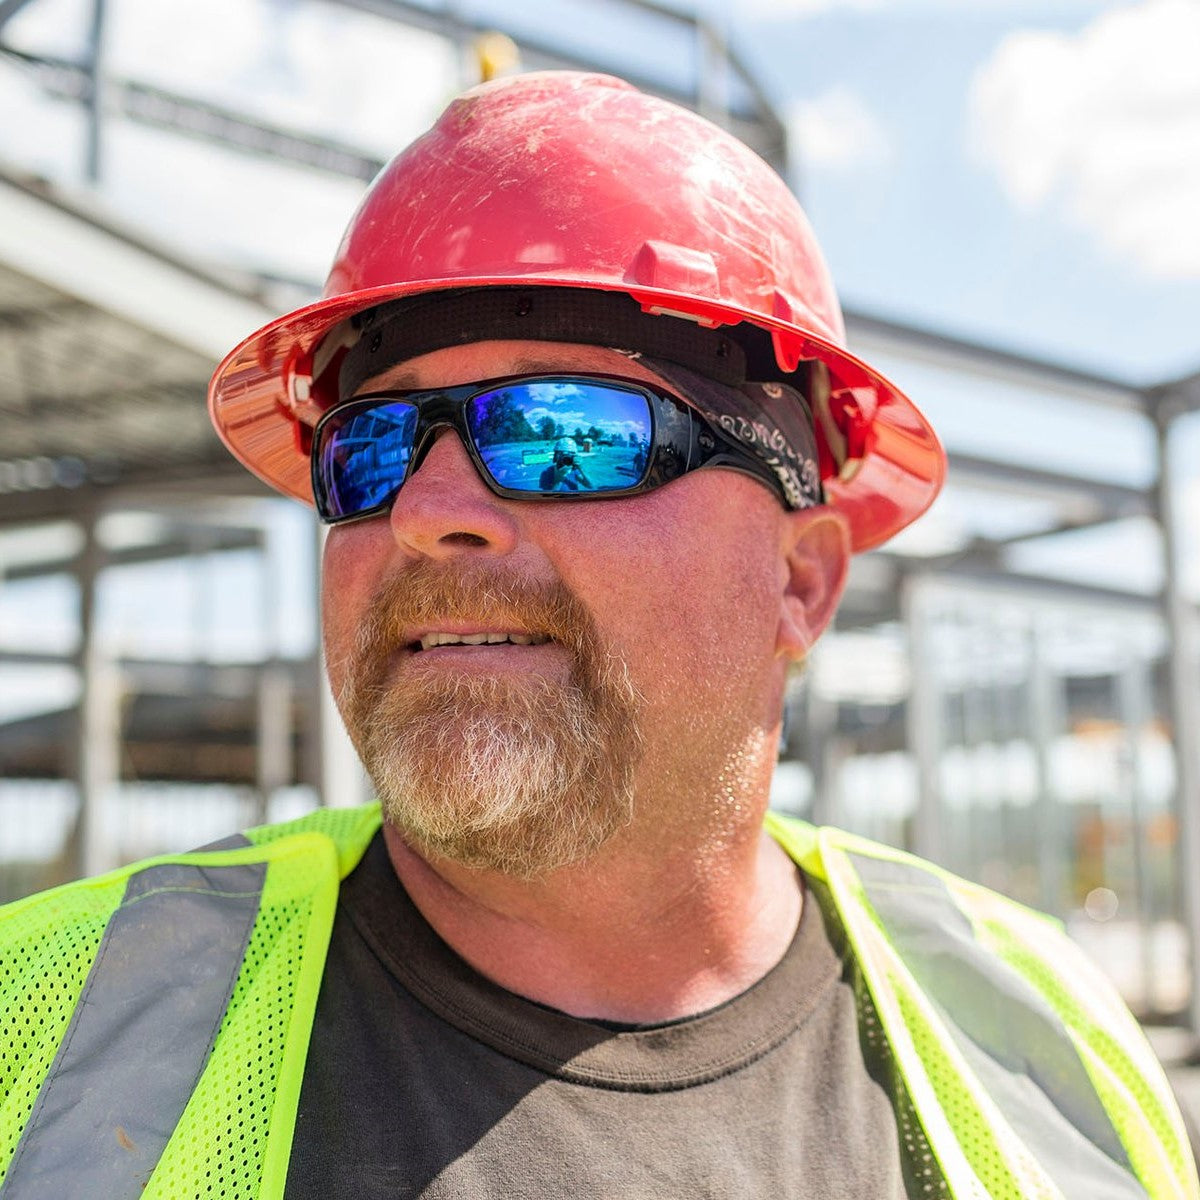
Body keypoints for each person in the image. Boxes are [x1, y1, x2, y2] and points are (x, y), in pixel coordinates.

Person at [0, 71, 1196, 1200]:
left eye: (567, 431)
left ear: (801, 580)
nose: (425, 516)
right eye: (366, 452)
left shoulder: (1045, 1041)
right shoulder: (44, 1029)